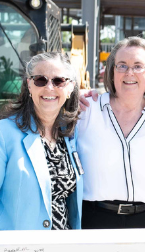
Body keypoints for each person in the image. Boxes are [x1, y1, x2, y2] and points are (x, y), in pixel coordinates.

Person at [75, 37, 145, 229]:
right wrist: (69, 97)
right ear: (112, 72)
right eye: (122, 66)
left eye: (138, 66)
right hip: (93, 221)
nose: (129, 73)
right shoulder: (86, 112)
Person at [0, 52, 85, 230]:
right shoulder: (4, 134)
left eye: (58, 81)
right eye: (40, 80)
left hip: (64, 250)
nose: (49, 88)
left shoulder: (70, 135)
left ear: (70, 88)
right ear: (29, 85)